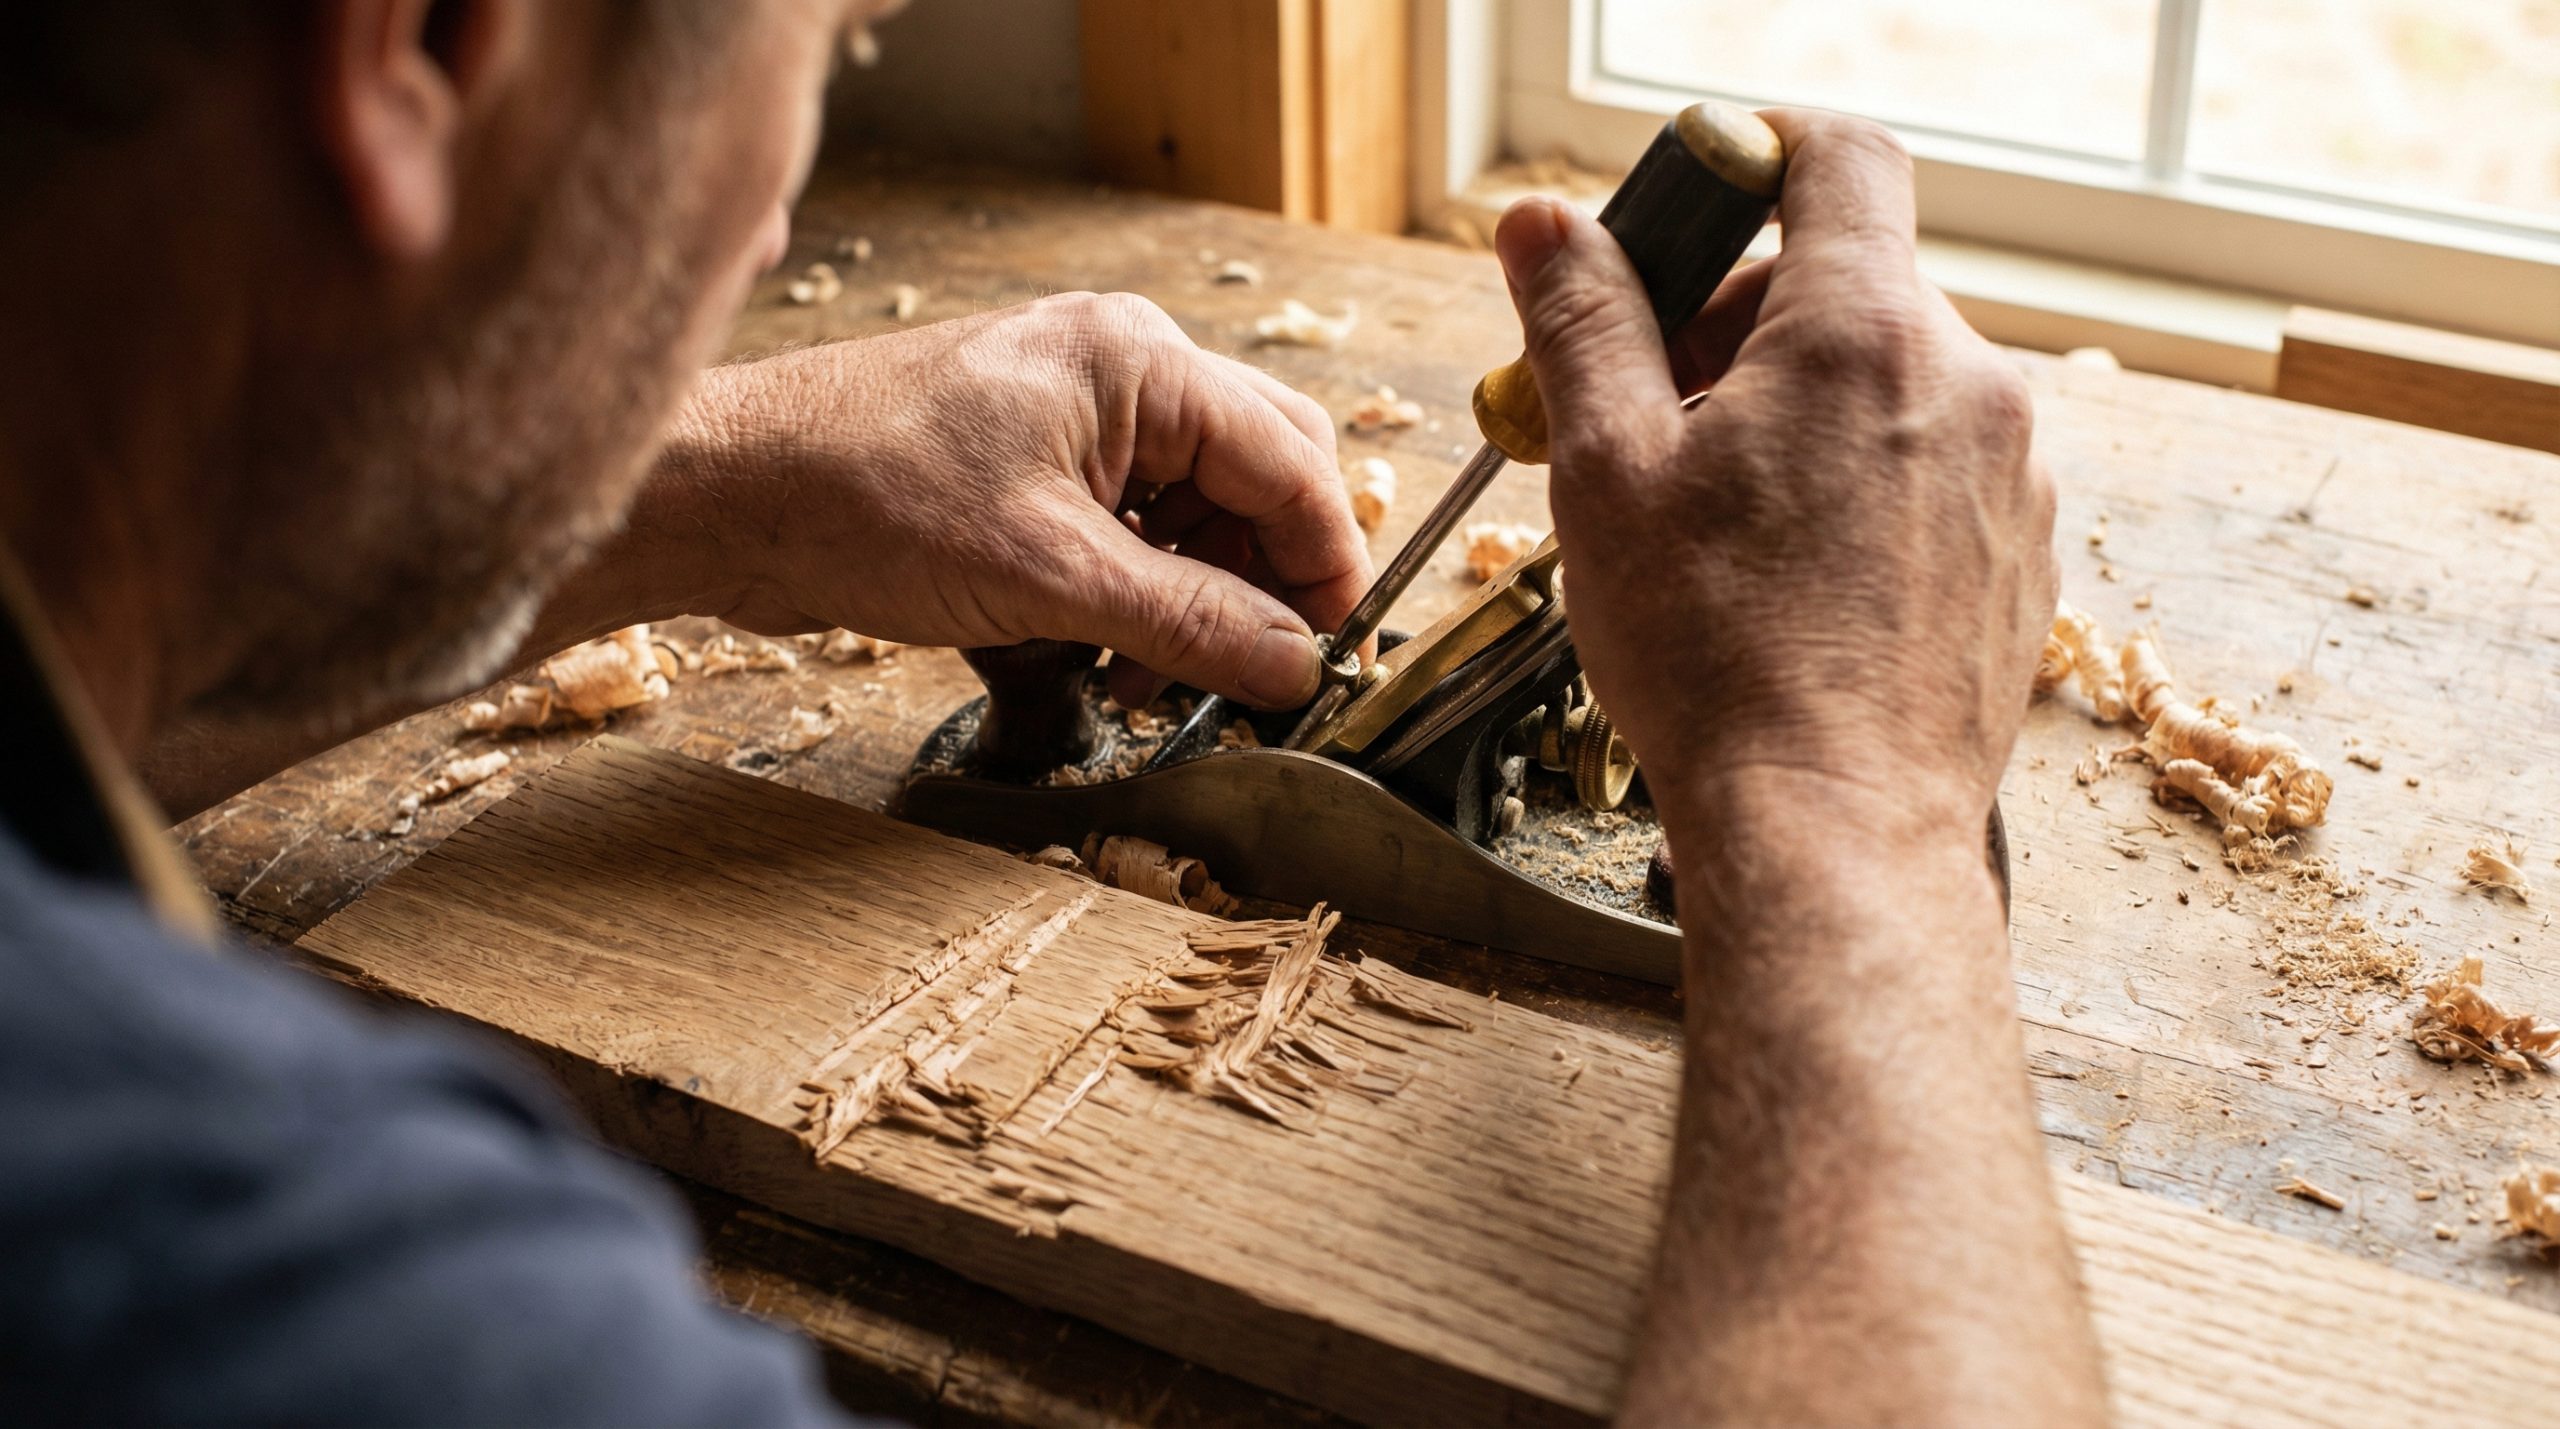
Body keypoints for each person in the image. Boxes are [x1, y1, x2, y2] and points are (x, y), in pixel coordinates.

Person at [0, 1, 2101, 1424]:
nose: (779, 202)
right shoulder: (358, 1306)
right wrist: (1849, 796)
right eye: (827, 47)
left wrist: (698, 484)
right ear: (434, 45)